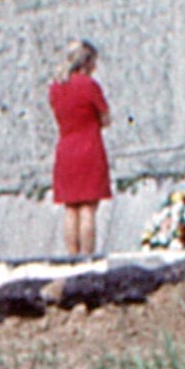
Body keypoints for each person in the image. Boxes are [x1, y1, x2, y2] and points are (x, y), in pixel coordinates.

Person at [49, 38, 112, 258]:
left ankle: (71, 255)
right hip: (89, 147)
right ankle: (87, 256)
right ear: (86, 63)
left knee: (71, 208)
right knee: (88, 209)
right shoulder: (89, 85)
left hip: (65, 149)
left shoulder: (56, 87)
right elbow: (105, 118)